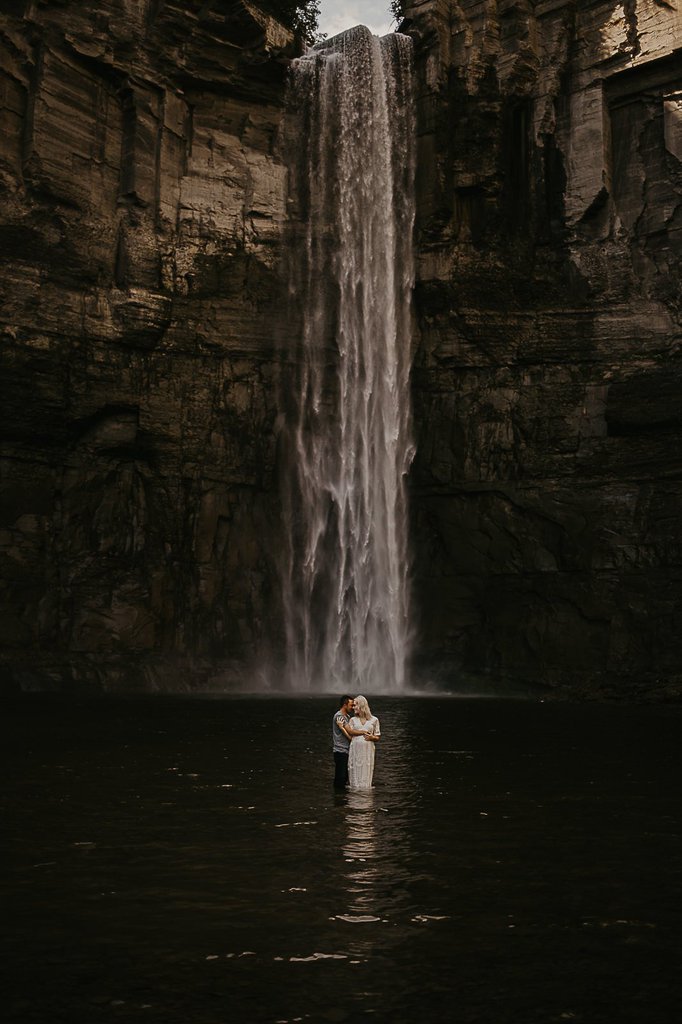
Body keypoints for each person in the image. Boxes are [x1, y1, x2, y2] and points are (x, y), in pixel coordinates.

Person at [347, 695, 380, 790]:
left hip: (367, 750)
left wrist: (371, 737)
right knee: (355, 768)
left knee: (366, 768)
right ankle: (355, 789)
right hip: (355, 750)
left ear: (361, 705)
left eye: (355, 705)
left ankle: (365, 790)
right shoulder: (352, 720)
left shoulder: (374, 720)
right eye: (353, 705)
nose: (353, 707)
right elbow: (350, 734)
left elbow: (377, 737)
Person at [332, 695, 354, 789]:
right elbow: (348, 734)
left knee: (344, 776)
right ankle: (338, 798)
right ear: (345, 705)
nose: (352, 707)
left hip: (346, 750)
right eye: (351, 705)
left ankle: (341, 799)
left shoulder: (347, 716)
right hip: (340, 750)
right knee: (340, 777)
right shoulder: (339, 716)